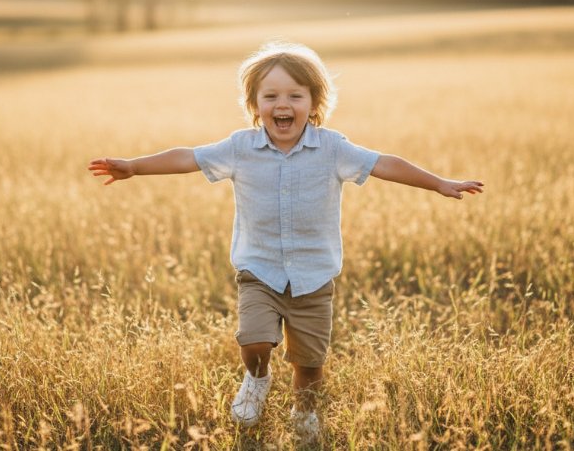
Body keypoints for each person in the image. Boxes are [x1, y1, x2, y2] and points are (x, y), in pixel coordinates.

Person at [88, 42, 484, 442]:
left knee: (310, 365)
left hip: (314, 279)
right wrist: (134, 167)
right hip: (259, 272)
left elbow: (383, 163)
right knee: (254, 342)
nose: (283, 104)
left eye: (295, 95)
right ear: (254, 105)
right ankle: (257, 379)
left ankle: (304, 411)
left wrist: (438, 183)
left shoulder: (333, 148)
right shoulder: (240, 148)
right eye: (271, 96)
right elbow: (187, 157)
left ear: (313, 104)